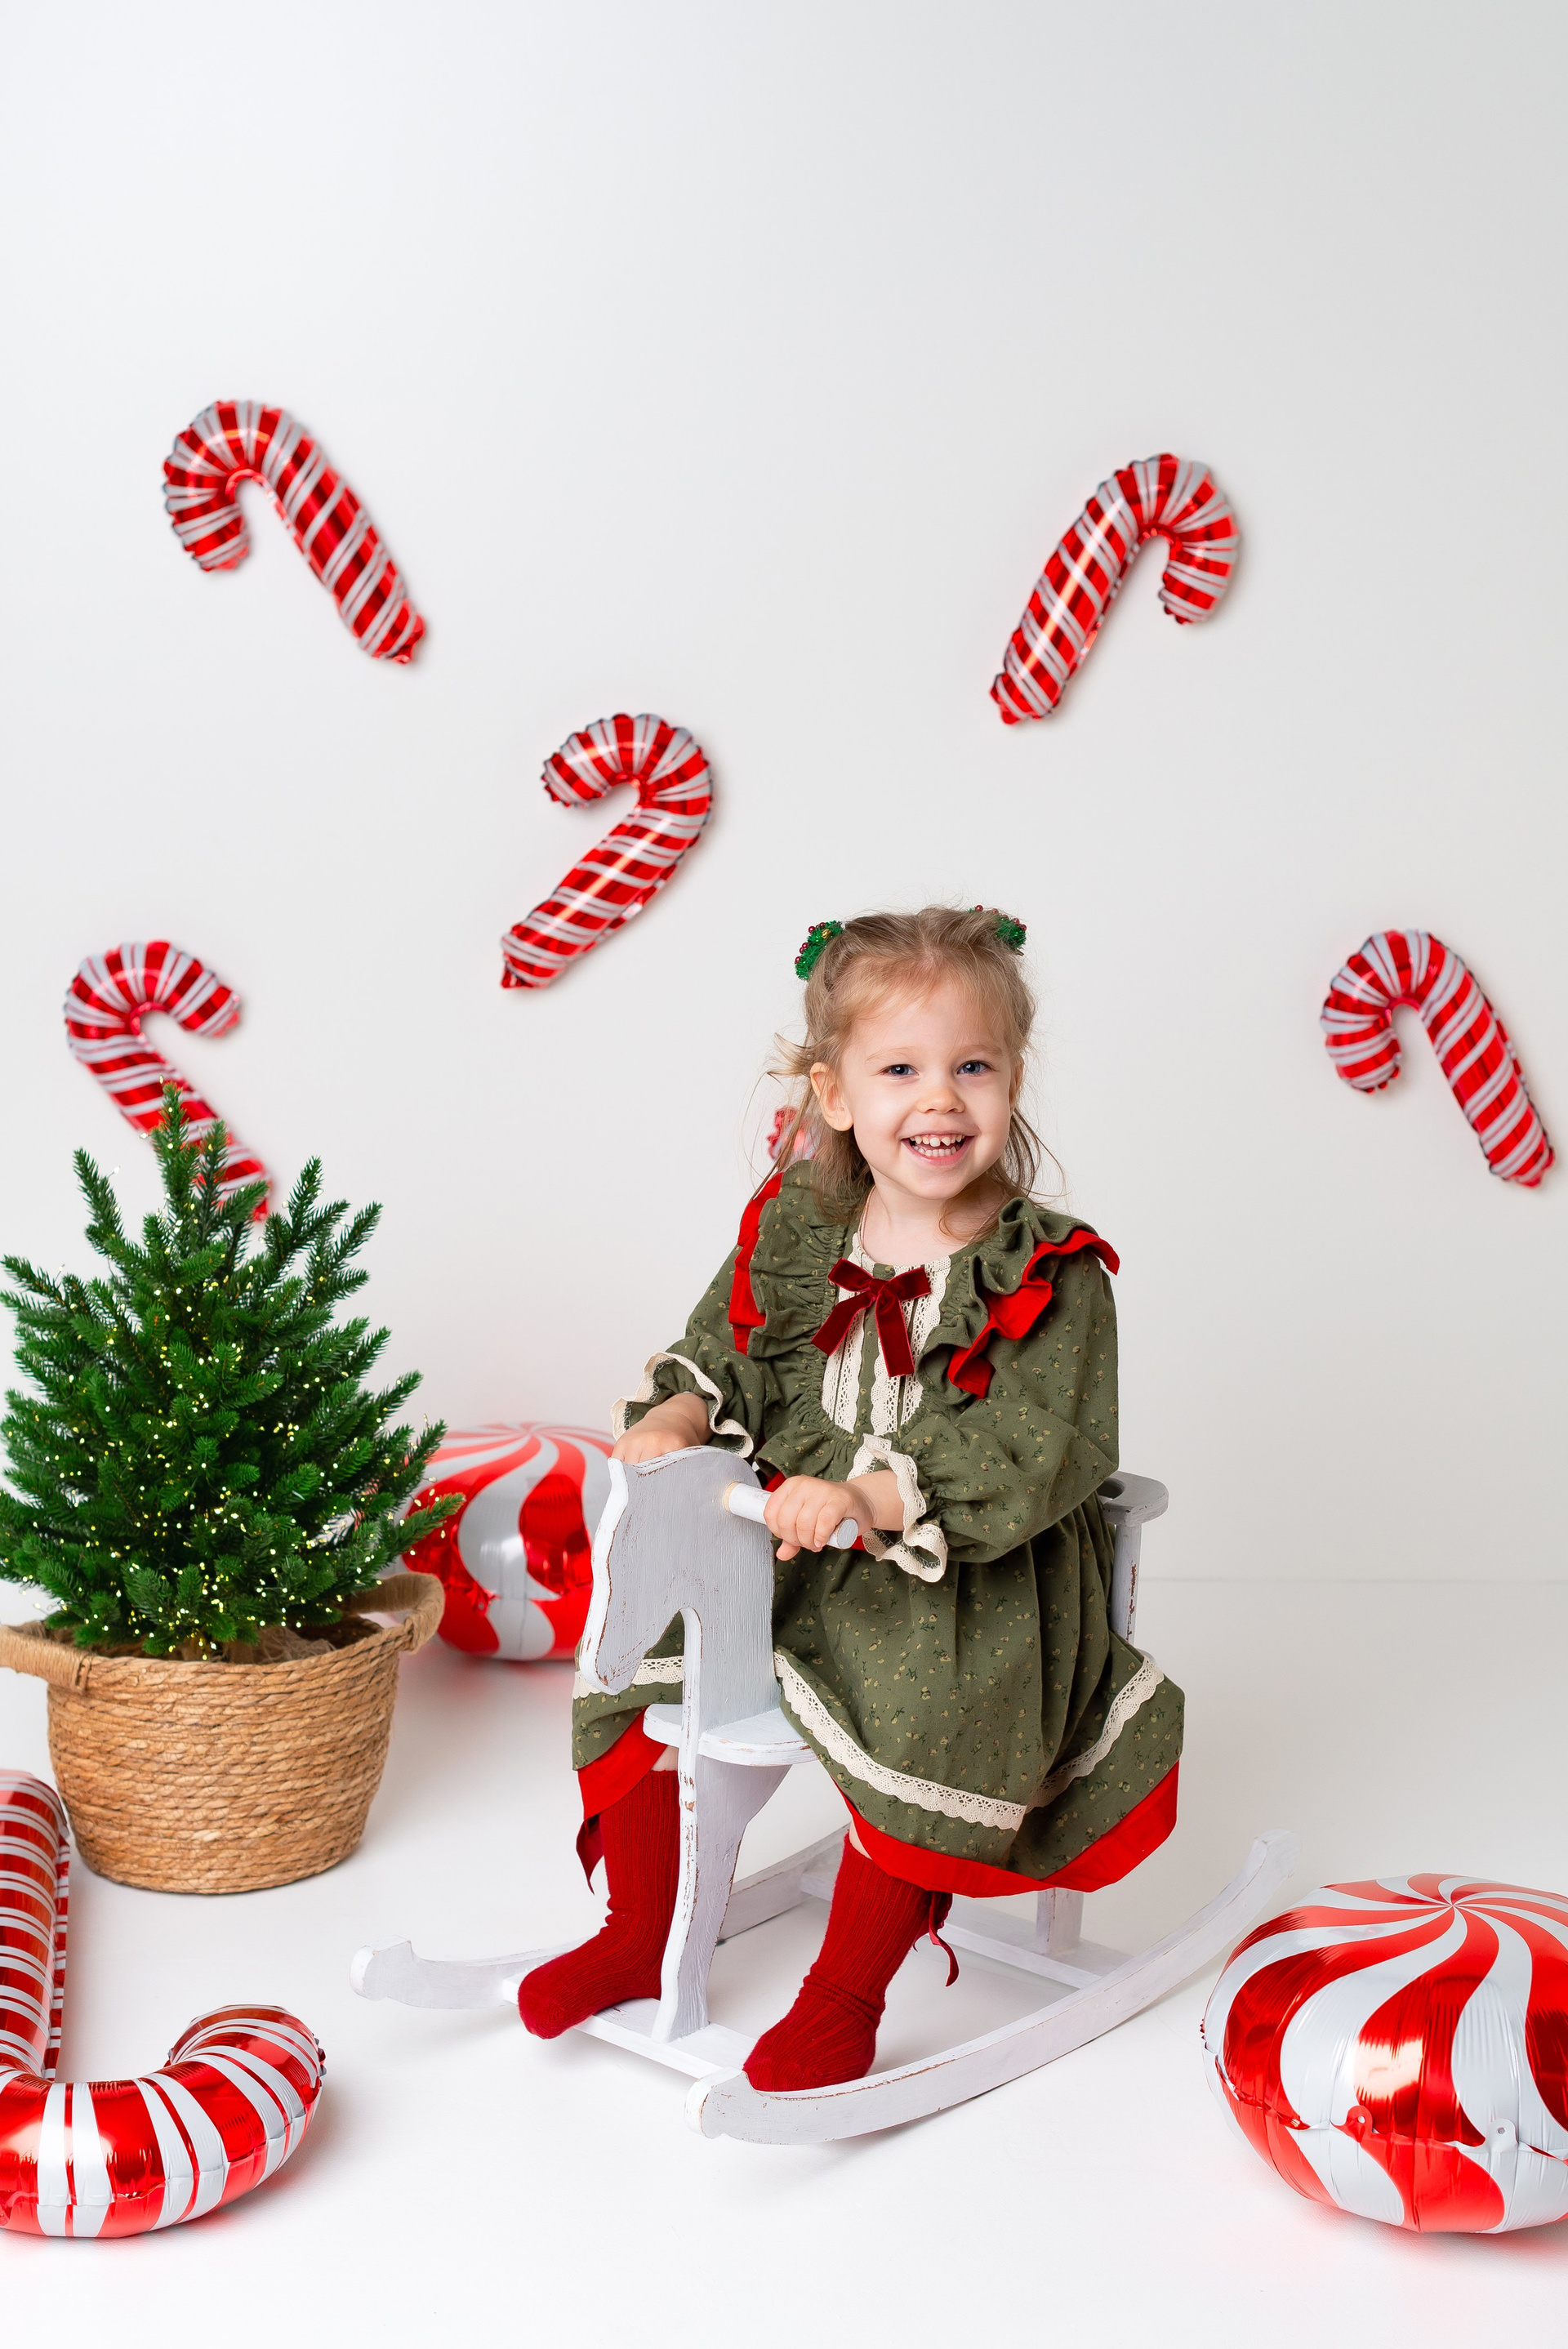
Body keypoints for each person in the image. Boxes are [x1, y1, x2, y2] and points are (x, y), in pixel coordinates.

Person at [519, 905, 1183, 2091]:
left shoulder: (1050, 1269)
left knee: (939, 1699)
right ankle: (636, 1929)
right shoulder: (800, 1227)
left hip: (967, 1571)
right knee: (648, 1634)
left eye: (972, 1067)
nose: (941, 1100)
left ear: (1013, 1078)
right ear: (834, 1094)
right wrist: (679, 1413)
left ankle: (845, 1997)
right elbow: (728, 1349)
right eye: (901, 1070)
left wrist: (875, 1495)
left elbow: (1041, 1443)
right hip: (790, 1544)